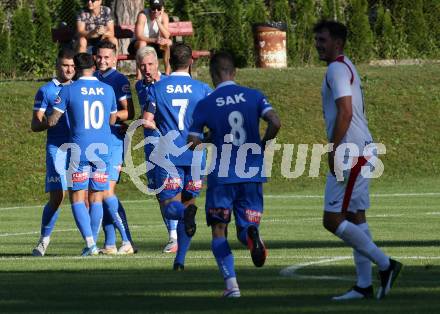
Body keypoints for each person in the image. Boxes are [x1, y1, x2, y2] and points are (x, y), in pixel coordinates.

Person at [313, 20, 402, 300]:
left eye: (323, 39)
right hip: (362, 149)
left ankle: (386, 265)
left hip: (350, 152)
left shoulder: (336, 68)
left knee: (332, 219)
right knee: (355, 216)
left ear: (337, 43)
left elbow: (346, 112)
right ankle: (364, 286)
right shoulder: (346, 64)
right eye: (316, 39)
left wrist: (333, 149)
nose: (318, 44)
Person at [187, 51, 281, 297]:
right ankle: (252, 235)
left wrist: (209, 138)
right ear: (234, 72)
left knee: (219, 230)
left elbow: (192, 141)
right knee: (246, 226)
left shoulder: (206, 103)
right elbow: (275, 121)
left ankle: (232, 286)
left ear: (212, 73)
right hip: (251, 171)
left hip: (222, 174)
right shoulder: (254, 96)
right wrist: (262, 143)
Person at [143, 43, 212, 270]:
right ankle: (180, 259)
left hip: (168, 156)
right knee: (188, 200)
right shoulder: (202, 89)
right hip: (195, 156)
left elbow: (147, 120)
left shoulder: (157, 88)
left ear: (168, 62)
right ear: (191, 61)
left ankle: (185, 214)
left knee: (169, 206)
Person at [45, 53, 117, 256]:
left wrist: (44, 120)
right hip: (103, 149)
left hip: (79, 150)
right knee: (96, 197)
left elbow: (53, 120)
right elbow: (111, 121)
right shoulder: (108, 90)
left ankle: (90, 243)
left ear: (75, 68)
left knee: (77, 197)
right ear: (94, 66)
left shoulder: (68, 90)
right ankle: (92, 242)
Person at [30, 49, 76, 257]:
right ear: (57, 66)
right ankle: (43, 241)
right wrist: (49, 122)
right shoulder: (46, 90)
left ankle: (93, 243)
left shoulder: (81, 88)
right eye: (65, 65)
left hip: (80, 148)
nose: (69, 69)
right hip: (57, 147)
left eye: (73, 65)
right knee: (58, 196)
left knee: (84, 196)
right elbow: (35, 124)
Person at [134, 46, 178, 253]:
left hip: (167, 142)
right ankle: (172, 235)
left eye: (150, 64)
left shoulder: (168, 83)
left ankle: (176, 236)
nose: (147, 69)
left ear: (158, 64)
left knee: (170, 190)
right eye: (143, 65)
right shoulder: (139, 86)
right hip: (149, 143)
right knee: (160, 194)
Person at [94, 41, 136, 255]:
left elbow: (129, 112)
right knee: (100, 194)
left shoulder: (118, 80)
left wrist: (108, 118)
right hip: (94, 143)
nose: (102, 60)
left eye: (107, 57)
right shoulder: (91, 78)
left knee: (107, 192)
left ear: (115, 57)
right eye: (99, 56)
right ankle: (110, 244)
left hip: (113, 141)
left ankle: (127, 241)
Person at [130, 0, 172, 77]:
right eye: (153, 8)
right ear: (149, 8)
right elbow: (139, 35)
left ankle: (167, 73)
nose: (156, 11)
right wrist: (154, 40)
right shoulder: (142, 15)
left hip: (155, 44)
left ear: (162, 9)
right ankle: (139, 75)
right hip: (138, 43)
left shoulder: (164, 16)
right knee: (142, 43)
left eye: (158, 8)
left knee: (167, 42)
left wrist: (157, 20)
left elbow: (166, 35)